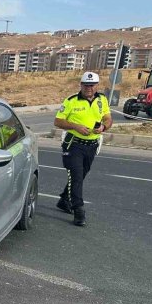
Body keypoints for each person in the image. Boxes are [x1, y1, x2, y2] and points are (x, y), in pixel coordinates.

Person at [54, 71, 113, 227]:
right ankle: (78, 210)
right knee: (77, 175)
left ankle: (64, 200)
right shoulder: (71, 101)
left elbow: (107, 117)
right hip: (74, 144)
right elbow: (58, 121)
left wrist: (103, 126)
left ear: (97, 86)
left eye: (92, 85)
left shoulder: (102, 100)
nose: (89, 88)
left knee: (80, 175)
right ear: (81, 85)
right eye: (86, 85)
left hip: (92, 145)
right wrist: (76, 126)